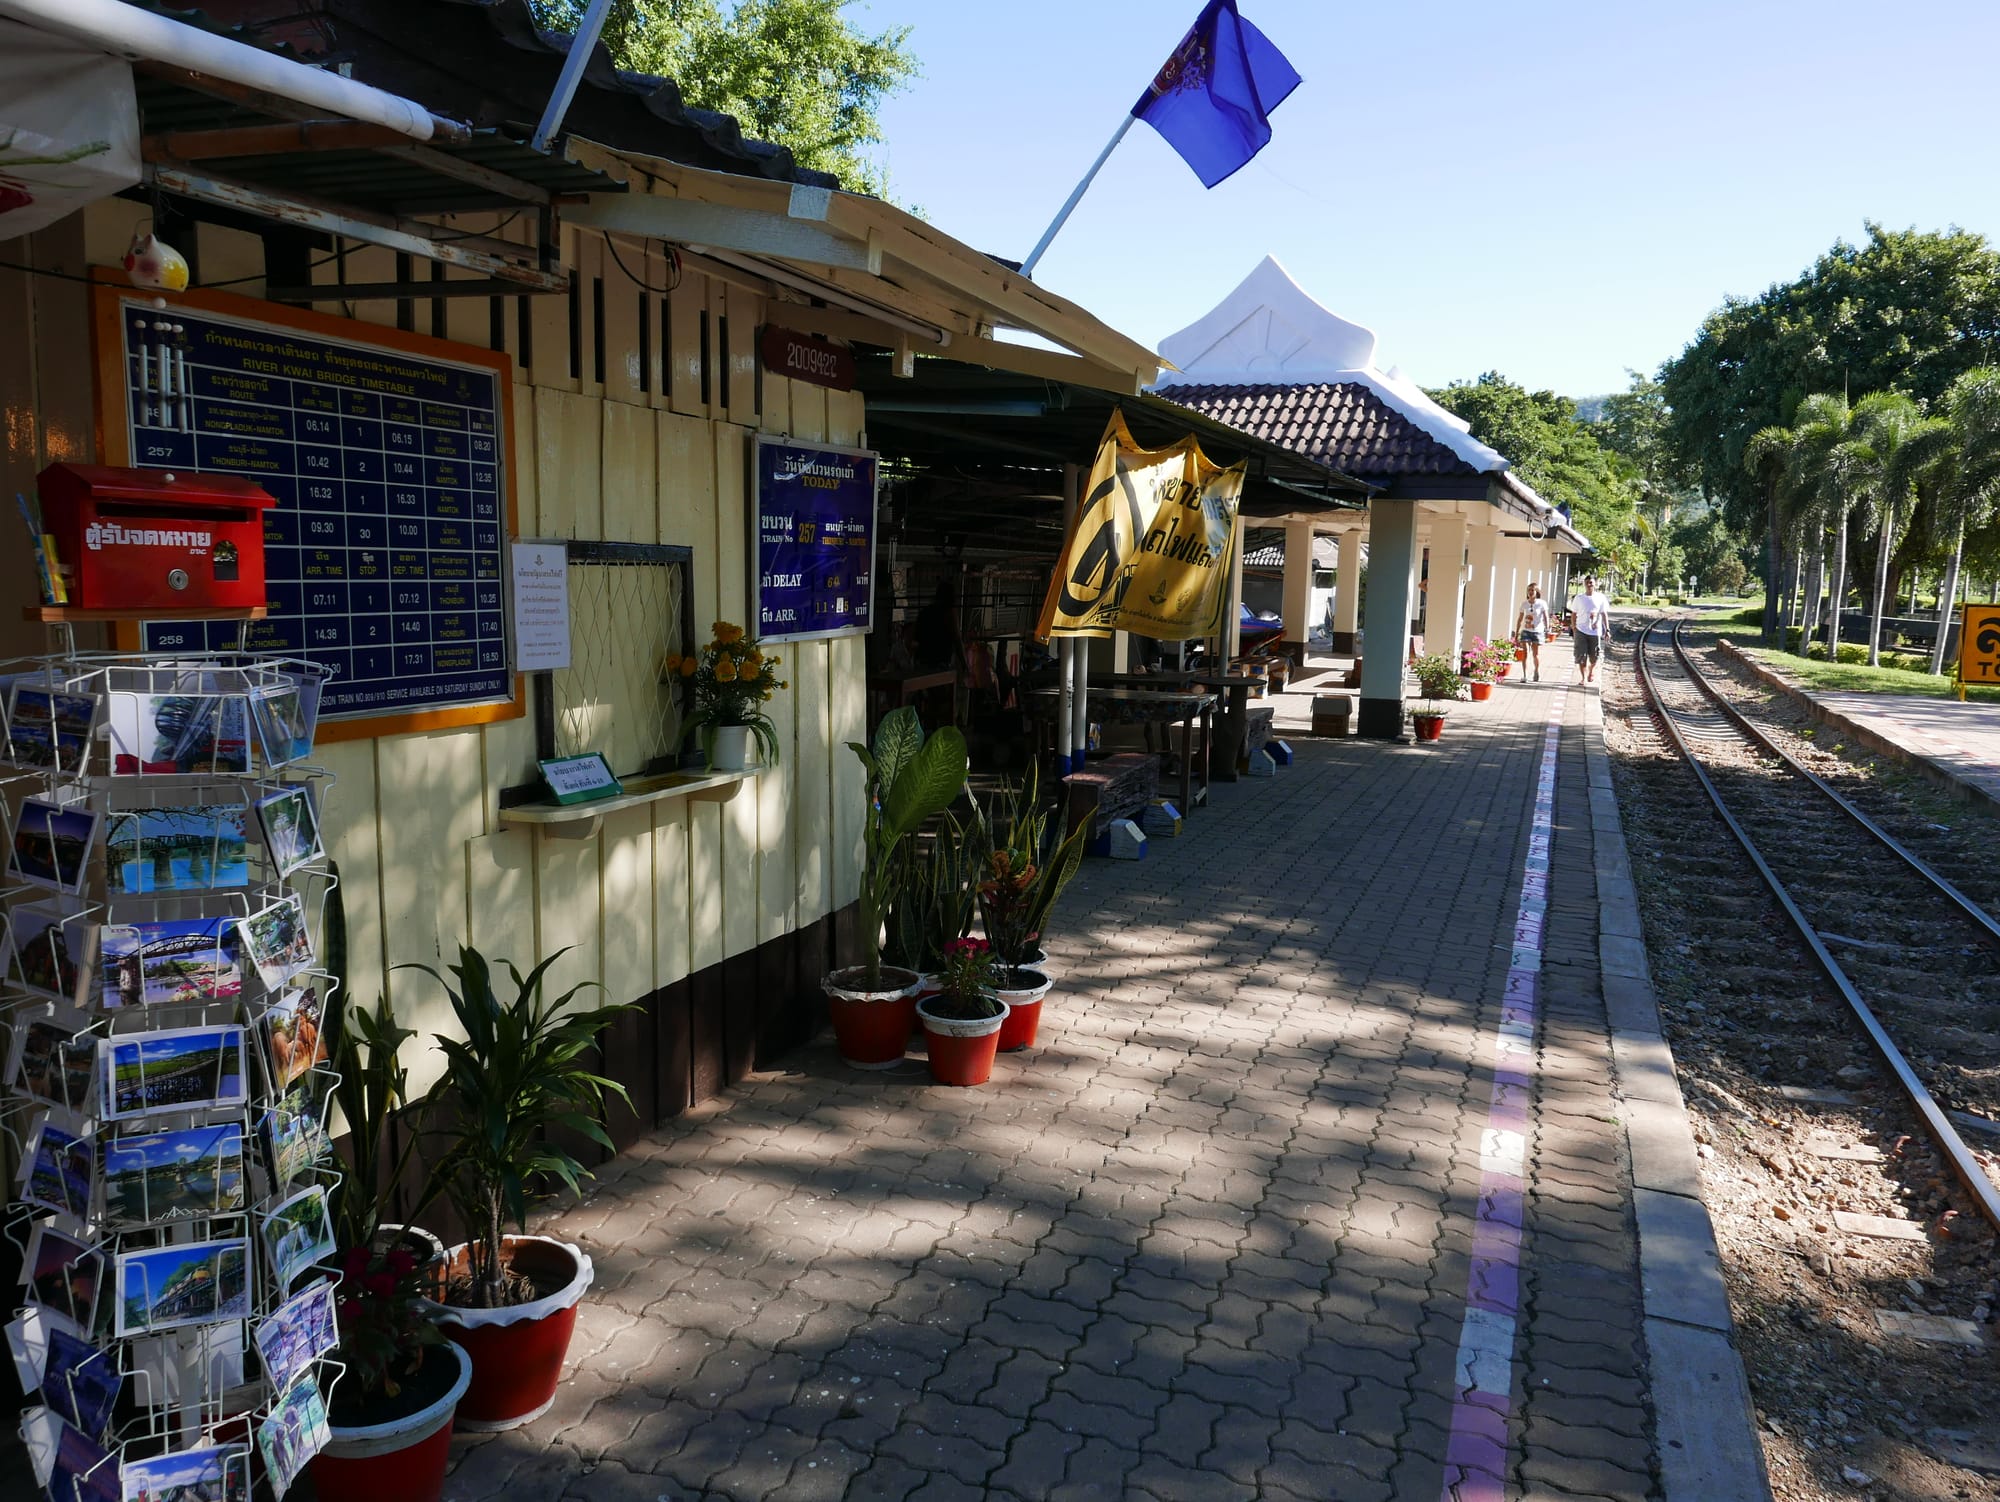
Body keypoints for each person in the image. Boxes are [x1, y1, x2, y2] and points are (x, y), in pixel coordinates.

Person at [1568, 575, 1608, 685]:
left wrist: (1607, 629)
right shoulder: (1579, 598)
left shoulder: (1600, 598)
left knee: (1594, 656)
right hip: (1581, 630)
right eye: (1587, 582)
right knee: (1581, 655)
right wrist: (1574, 627)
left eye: (1591, 582)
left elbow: (1604, 614)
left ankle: (1591, 671)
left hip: (1595, 632)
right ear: (1584, 584)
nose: (1589, 584)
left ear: (1595, 584)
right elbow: (1574, 613)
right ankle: (1583, 678)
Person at [1513, 583, 1552, 682]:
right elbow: (1520, 618)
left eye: (1532, 590)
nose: (1530, 592)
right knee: (1525, 652)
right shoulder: (1524, 604)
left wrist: (1547, 629)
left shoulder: (1542, 603)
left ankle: (1536, 671)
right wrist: (1517, 632)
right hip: (1526, 631)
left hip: (1537, 631)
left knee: (1535, 654)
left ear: (1536, 592)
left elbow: (1546, 616)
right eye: (1529, 590)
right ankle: (1524, 675)